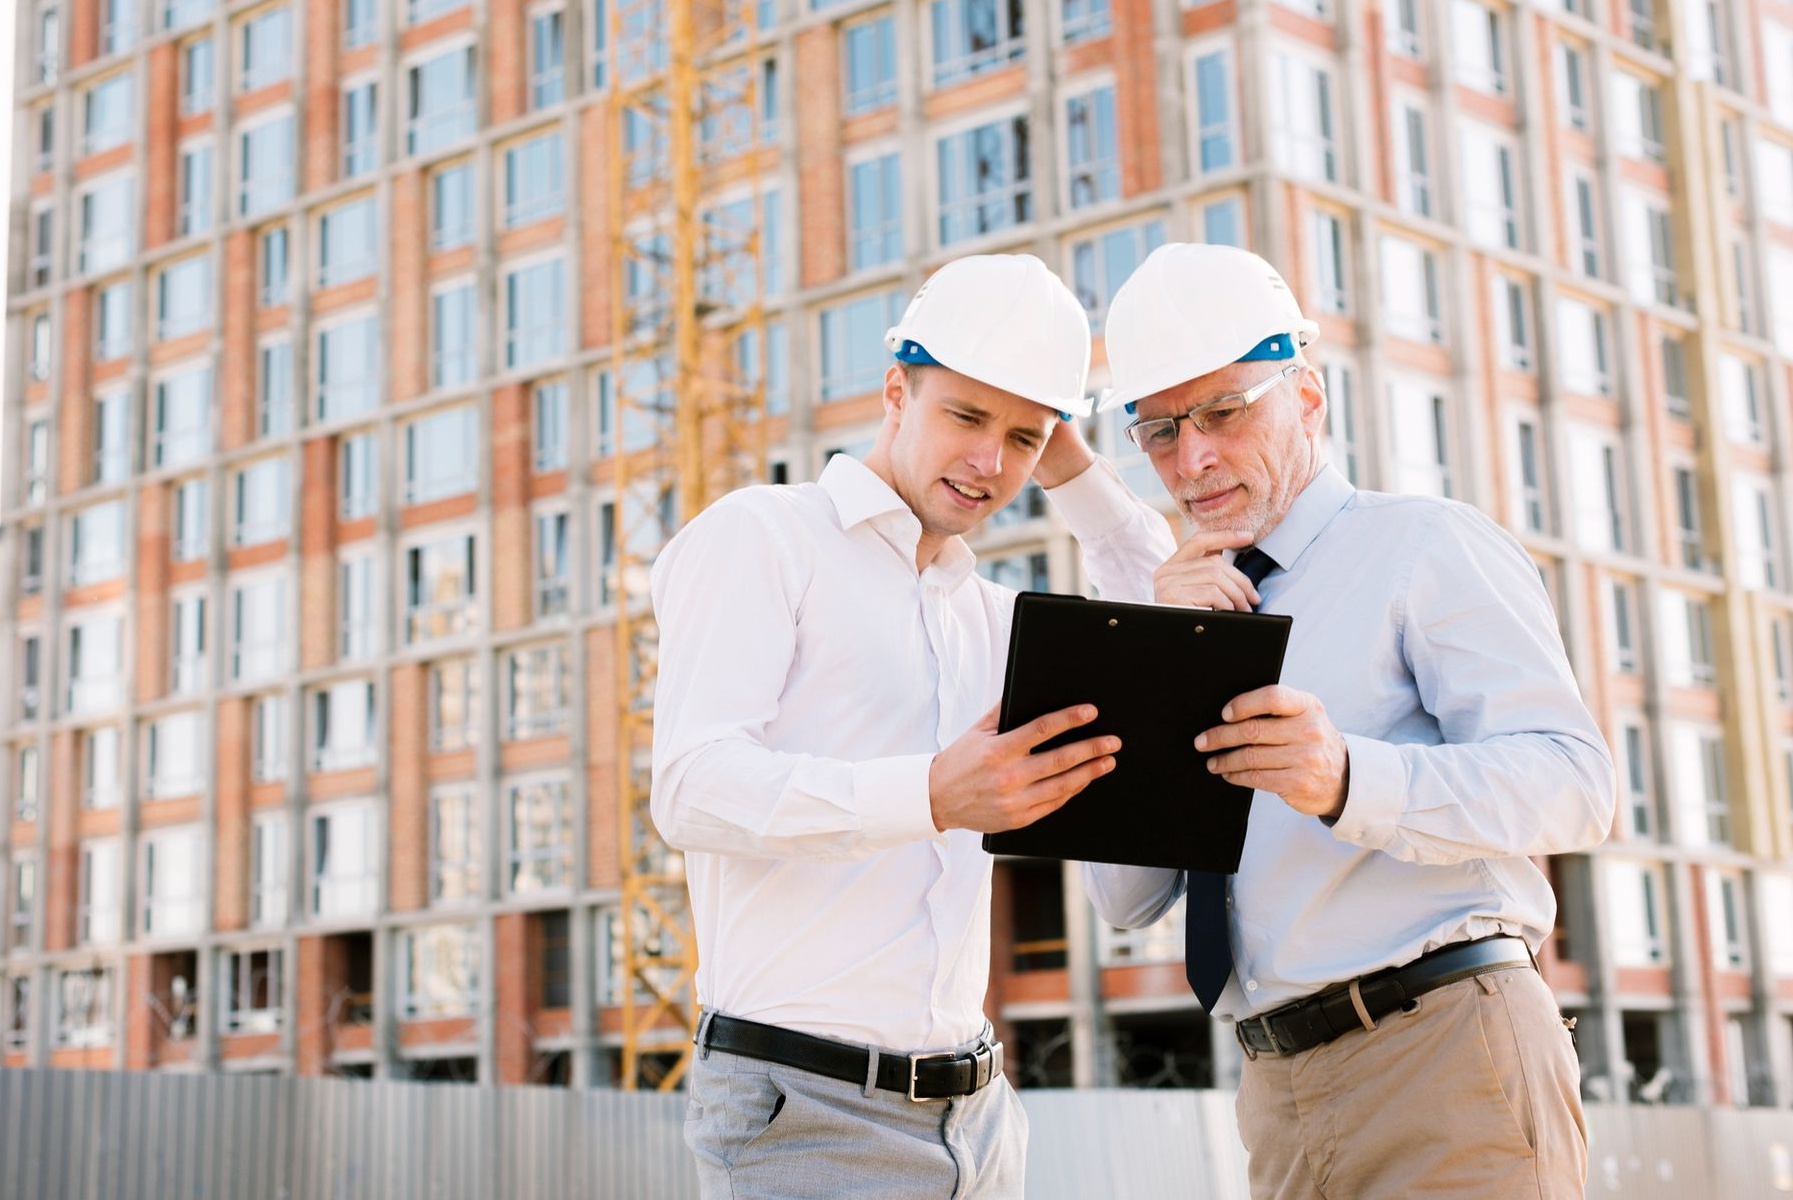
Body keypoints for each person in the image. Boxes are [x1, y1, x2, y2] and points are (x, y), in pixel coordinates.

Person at [1081, 243, 1615, 1200]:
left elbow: (1575, 788)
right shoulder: (1183, 608)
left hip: (1446, 1059)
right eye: (1159, 431)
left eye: (1224, 412)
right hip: (1275, 1089)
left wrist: (1345, 780)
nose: (1192, 458)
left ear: (1309, 397)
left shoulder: (1421, 545)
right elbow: (1128, 902)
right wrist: (1149, 672)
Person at [651, 253, 1174, 1199]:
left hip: (979, 1122)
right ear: (896, 390)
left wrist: (1073, 464)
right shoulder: (764, 536)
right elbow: (691, 788)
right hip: (803, 1114)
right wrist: (930, 794)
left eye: (1022, 438)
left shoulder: (991, 618)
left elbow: (1171, 633)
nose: (990, 462)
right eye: (965, 416)